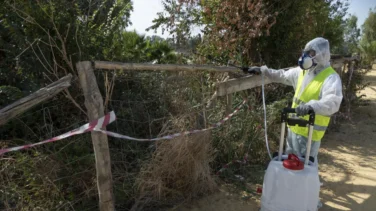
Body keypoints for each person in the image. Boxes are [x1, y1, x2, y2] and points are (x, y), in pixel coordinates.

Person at [244, 37, 343, 165]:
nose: (306, 56)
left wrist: (311, 107)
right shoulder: (302, 72)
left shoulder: (331, 78)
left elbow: (333, 102)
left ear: (322, 55)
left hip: (310, 135)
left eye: (311, 53)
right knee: (289, 164)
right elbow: (281, 75)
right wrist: (263, 71)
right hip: (293, 130)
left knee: (305, 168)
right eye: (306, 53)